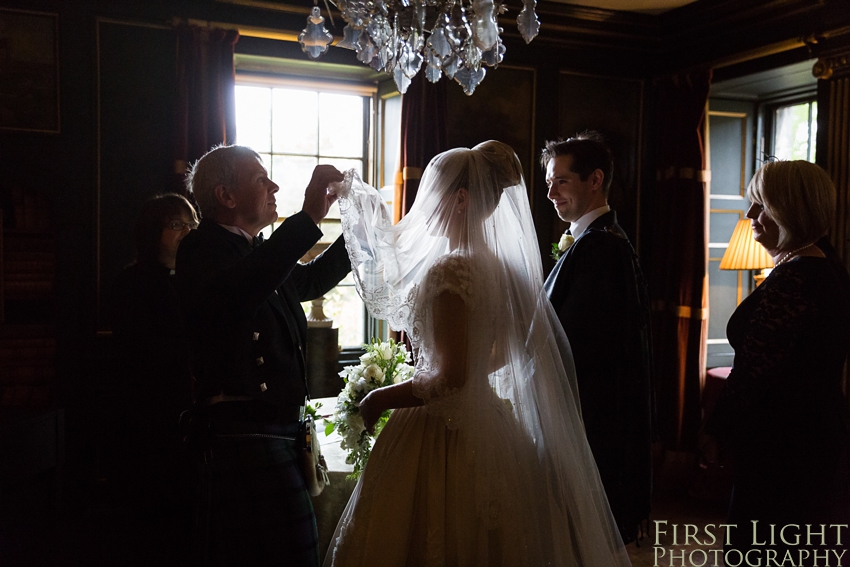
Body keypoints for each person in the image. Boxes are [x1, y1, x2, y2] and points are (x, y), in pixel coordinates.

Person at [323, 141, 630, 566]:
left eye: (434, 195)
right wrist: (473, 376)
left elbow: (449, 379)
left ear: (461, 199)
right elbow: (508, 351)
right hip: (492, 424)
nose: (425, 208)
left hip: (442, 437)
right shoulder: (506, 269)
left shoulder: (451, 269)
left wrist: (380, 397)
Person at [175, 145, 350, 567]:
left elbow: (310, 281)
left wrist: (360, 231)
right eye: (260, 179)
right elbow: (242, 289)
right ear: (226, 196)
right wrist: (306, 218)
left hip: (278, 431)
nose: (273, 186)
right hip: (243, 434)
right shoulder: (201, 249)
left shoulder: (256, 251)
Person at [703, 160, 850, 558]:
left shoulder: (798, 279)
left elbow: (756, 375)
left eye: (761, 205)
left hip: (783, 448)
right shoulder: (822, 266)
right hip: (809, 438)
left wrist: (716, 432)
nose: (750, 215)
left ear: (792, 209)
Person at [540, 131, 654, 544]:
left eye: (562, 181)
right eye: (549, 182)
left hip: (592, 425)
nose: (551, 193)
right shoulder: (590, 242)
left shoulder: (602, 250)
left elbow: (575, 344)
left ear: (595, 180)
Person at [107, 193, 198, 557]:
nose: (187, 232)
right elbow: (144, 350)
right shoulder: (131, 283)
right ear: (153, 231)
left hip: (185, 413)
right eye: (177, 225)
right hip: (146, 412)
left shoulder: (191, 280)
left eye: (191, 225)